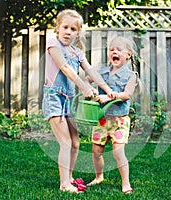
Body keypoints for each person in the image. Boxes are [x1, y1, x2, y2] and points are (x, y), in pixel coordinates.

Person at [42, 9, 113, 193]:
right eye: (65, 27)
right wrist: (83, 86)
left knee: (75, 143)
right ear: (57, 28)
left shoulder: (77, 52)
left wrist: (107, 90)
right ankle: (64, 185)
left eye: (73, 29)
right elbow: (64, 68)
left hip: (69, 101)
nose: (68, 32)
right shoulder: (53, 44)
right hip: (54, 97)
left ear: (77, 32)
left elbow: (91, 72)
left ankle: (69, 178)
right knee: (65, 143)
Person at [85, 36, 141, 194]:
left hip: (119, 121)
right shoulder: (102, 72)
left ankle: (126, 183)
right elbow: (86, 80)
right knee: (96, 151)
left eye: (118, 50)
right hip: (101, 120)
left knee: (118, 152)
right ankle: (98, 177)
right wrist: (91, 90)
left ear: (128, 55)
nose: (114, 52)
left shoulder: (131, 75)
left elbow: (127, 94)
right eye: (111, 49)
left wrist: (108, 96)